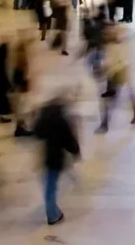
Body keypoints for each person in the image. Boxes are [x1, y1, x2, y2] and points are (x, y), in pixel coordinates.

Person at [33, 95, 80, 226]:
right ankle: (53, 215)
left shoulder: (43, 118)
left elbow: (36, 133)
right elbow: (68, 140)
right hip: (56, 157)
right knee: (51, 187)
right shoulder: (61, 120)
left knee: (49, 185)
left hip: (45, 155)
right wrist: (76, 151)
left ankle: (54, 211)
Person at [97, 24, 135, 132]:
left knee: (111, 99)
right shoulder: (115, 44)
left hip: (118, 72)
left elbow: (112, 61)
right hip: (118, 71)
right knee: (130, 92)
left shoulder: (114, 46)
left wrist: (103, 68)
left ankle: (105, 124)